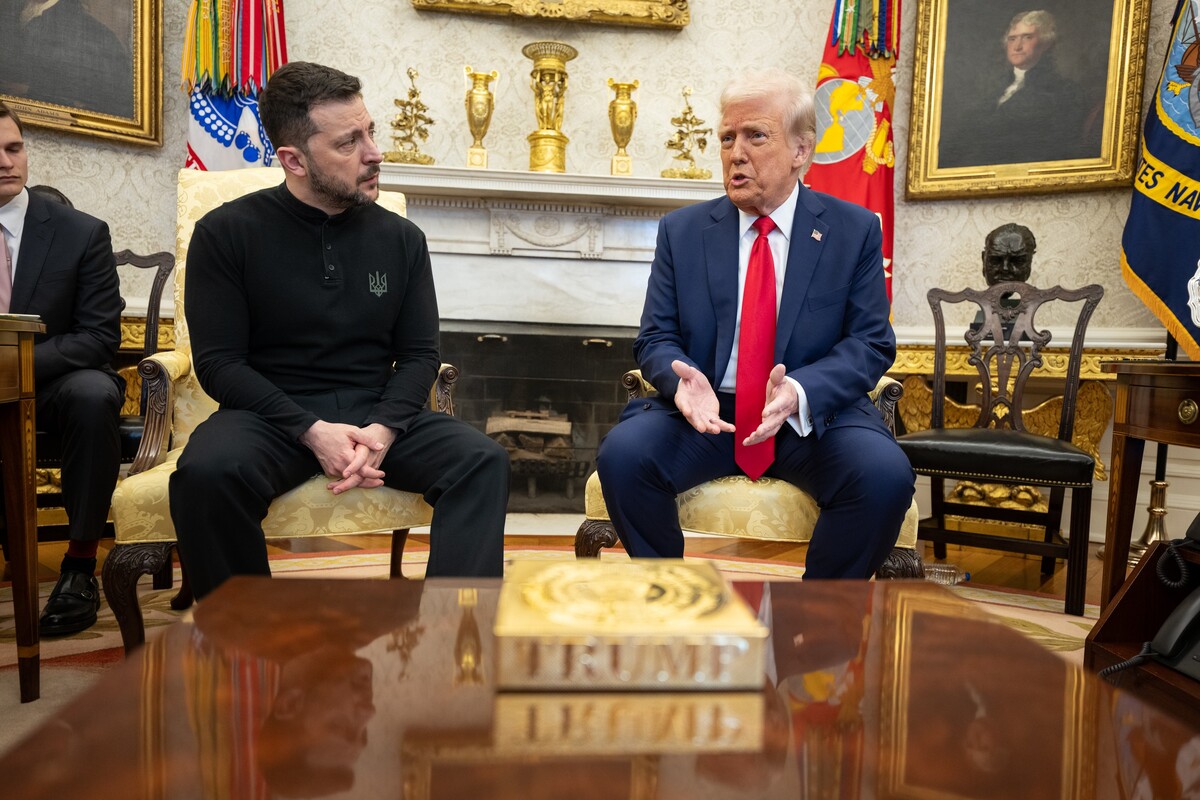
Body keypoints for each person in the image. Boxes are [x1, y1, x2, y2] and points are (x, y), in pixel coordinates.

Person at [168, 61, 510, 599]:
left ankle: (453, 640)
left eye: (370, 131)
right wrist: (310, 429)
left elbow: (420, 354)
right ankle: (247, 648)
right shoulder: (226, 233)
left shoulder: (402, 239)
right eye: (349, 142)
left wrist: (382, 430)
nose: (374, 152)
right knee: (207, 475)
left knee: (481, 460)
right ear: (293, 160)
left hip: (376, 411)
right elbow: (219, 364)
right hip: (270, 415)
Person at [596, 69, 914, 579]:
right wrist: (681, 382)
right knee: (624, 455)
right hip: (709, 413)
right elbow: (655, 336)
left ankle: (812, 630)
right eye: (727, 138)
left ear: (801, 151)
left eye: (755, 136)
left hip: (808, 417)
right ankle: (672, 604)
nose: (735, 153)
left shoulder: (853, 230)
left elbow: (871, 343)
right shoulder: (683, 232)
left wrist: (801, 390)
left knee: (882, 476)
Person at [0, 100, 126, 635]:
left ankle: (78, 565)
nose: (6, 162)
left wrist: (10, 366)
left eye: (13, 148)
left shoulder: (81, 232)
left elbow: (99, 336)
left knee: (95, 394)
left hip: (53, 382)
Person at [940, 10, 1093, 168]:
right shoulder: (993, 91)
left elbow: (1054, 151)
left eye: (1027, 37)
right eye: (1012, 39)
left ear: (1046, 43)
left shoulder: (1065, 93)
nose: (1017, 46)